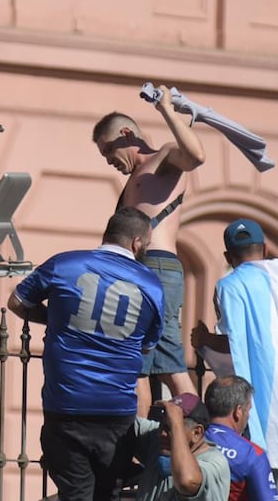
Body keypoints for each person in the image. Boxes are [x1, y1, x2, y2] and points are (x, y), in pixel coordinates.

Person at [8, 207, 164, 501]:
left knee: (74, 494)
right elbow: (147, 345)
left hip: (66, 405)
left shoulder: (64, 264)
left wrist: (58, 319)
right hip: (117, 411)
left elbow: (17, 302)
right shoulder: (151, 285)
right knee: (109, 494)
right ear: (137, 243)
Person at [92, 88, 205, 414]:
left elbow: (196, 155)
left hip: (157, 267)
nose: (110, 161)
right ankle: (138, 444)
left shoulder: (165, 156)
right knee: (134, 364)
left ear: (126, 134)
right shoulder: (133, 181)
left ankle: (200, 438)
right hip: (135, 272)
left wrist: (166, 110)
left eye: (108, 151)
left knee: (170, 366)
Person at [190, 219, 278, 471]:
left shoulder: (230, 285)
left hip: (256, 407)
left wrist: (203, 339)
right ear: (266, 249)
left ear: (228, 256)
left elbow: (233, 344)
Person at [133, 394, 230, 501]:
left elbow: (187, 482)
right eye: (162, 425)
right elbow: (121, 423)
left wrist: (176, 425)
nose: (163, 434)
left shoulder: (215, 462)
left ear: (197, 433)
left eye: (170, 428)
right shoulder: (157, 438)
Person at [203, 376, 278, 501]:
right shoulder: (252, 454)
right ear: (238, 412)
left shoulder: (189, 438)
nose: (248, 416)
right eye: (248, 410)